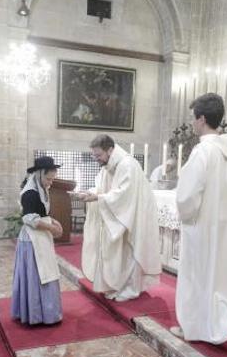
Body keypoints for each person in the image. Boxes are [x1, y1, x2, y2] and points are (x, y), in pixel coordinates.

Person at [171, 93, 227, 344]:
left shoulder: (203, 150)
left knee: (196, 275)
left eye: (194, 118)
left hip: (201, 225)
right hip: (224, 224)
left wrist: (185, 214)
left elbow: (188, 195)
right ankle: (216, 323)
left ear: (201, 119)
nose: (192, 124)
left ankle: (194, 327)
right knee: (218, 274)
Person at [77, 135, 161, 302]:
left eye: (98, 155)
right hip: (119, 214)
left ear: (110, 150)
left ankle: (130, 288)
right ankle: (116, 285)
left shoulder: (127, 164)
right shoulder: (108, 165)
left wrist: (98, 198)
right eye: (94, 155)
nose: (96, 159)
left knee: (129, 251)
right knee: (118, 252)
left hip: (132, 218)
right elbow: (104, 188)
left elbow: (123, 195)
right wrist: (92, 193)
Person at [11, 156, 64, 325]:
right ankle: (36, 314)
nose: (50, 183)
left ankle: (47, 312)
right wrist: (51, 228)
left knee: (47, 273)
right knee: (37, 276)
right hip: (32, 242)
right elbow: (30, 219)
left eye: (52, 179)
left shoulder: (42, 190)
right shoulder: (30, 193)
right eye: (48, 179)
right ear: (40, 174)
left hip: (42, 238)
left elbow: (43, 214)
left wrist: (54, 222)